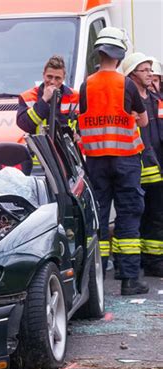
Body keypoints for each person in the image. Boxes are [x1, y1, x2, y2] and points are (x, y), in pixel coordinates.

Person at [78, 27, 149, 296]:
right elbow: (142, 120)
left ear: (99, 53)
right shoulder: (126, 85)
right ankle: (130, 280)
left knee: (98, 219)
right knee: (128, 217)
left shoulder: (87, 85)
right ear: (119, 56)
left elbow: (83, 119)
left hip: (96, 161)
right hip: (126, 160)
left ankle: (96, 279)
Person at [122, 53, 163, 277]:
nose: (150, 74)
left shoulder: (156, 101)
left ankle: (154, 261)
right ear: (132, 75)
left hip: (156, 166)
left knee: (155, 214)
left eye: (150, 70)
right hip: (132, 166)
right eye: (144, 70)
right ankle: (128, 263)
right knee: (133, 213)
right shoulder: (126, 102)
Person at [17, 55, 79, 135]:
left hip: (66, 147)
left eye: (57, 78)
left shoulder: (76, 97)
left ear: (63, 78)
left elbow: (84, 127)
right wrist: (44, 100)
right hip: (39, 146)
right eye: (49, 77)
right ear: (43, 75)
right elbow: (24, 125)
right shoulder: (28, 97)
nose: (52, 82)